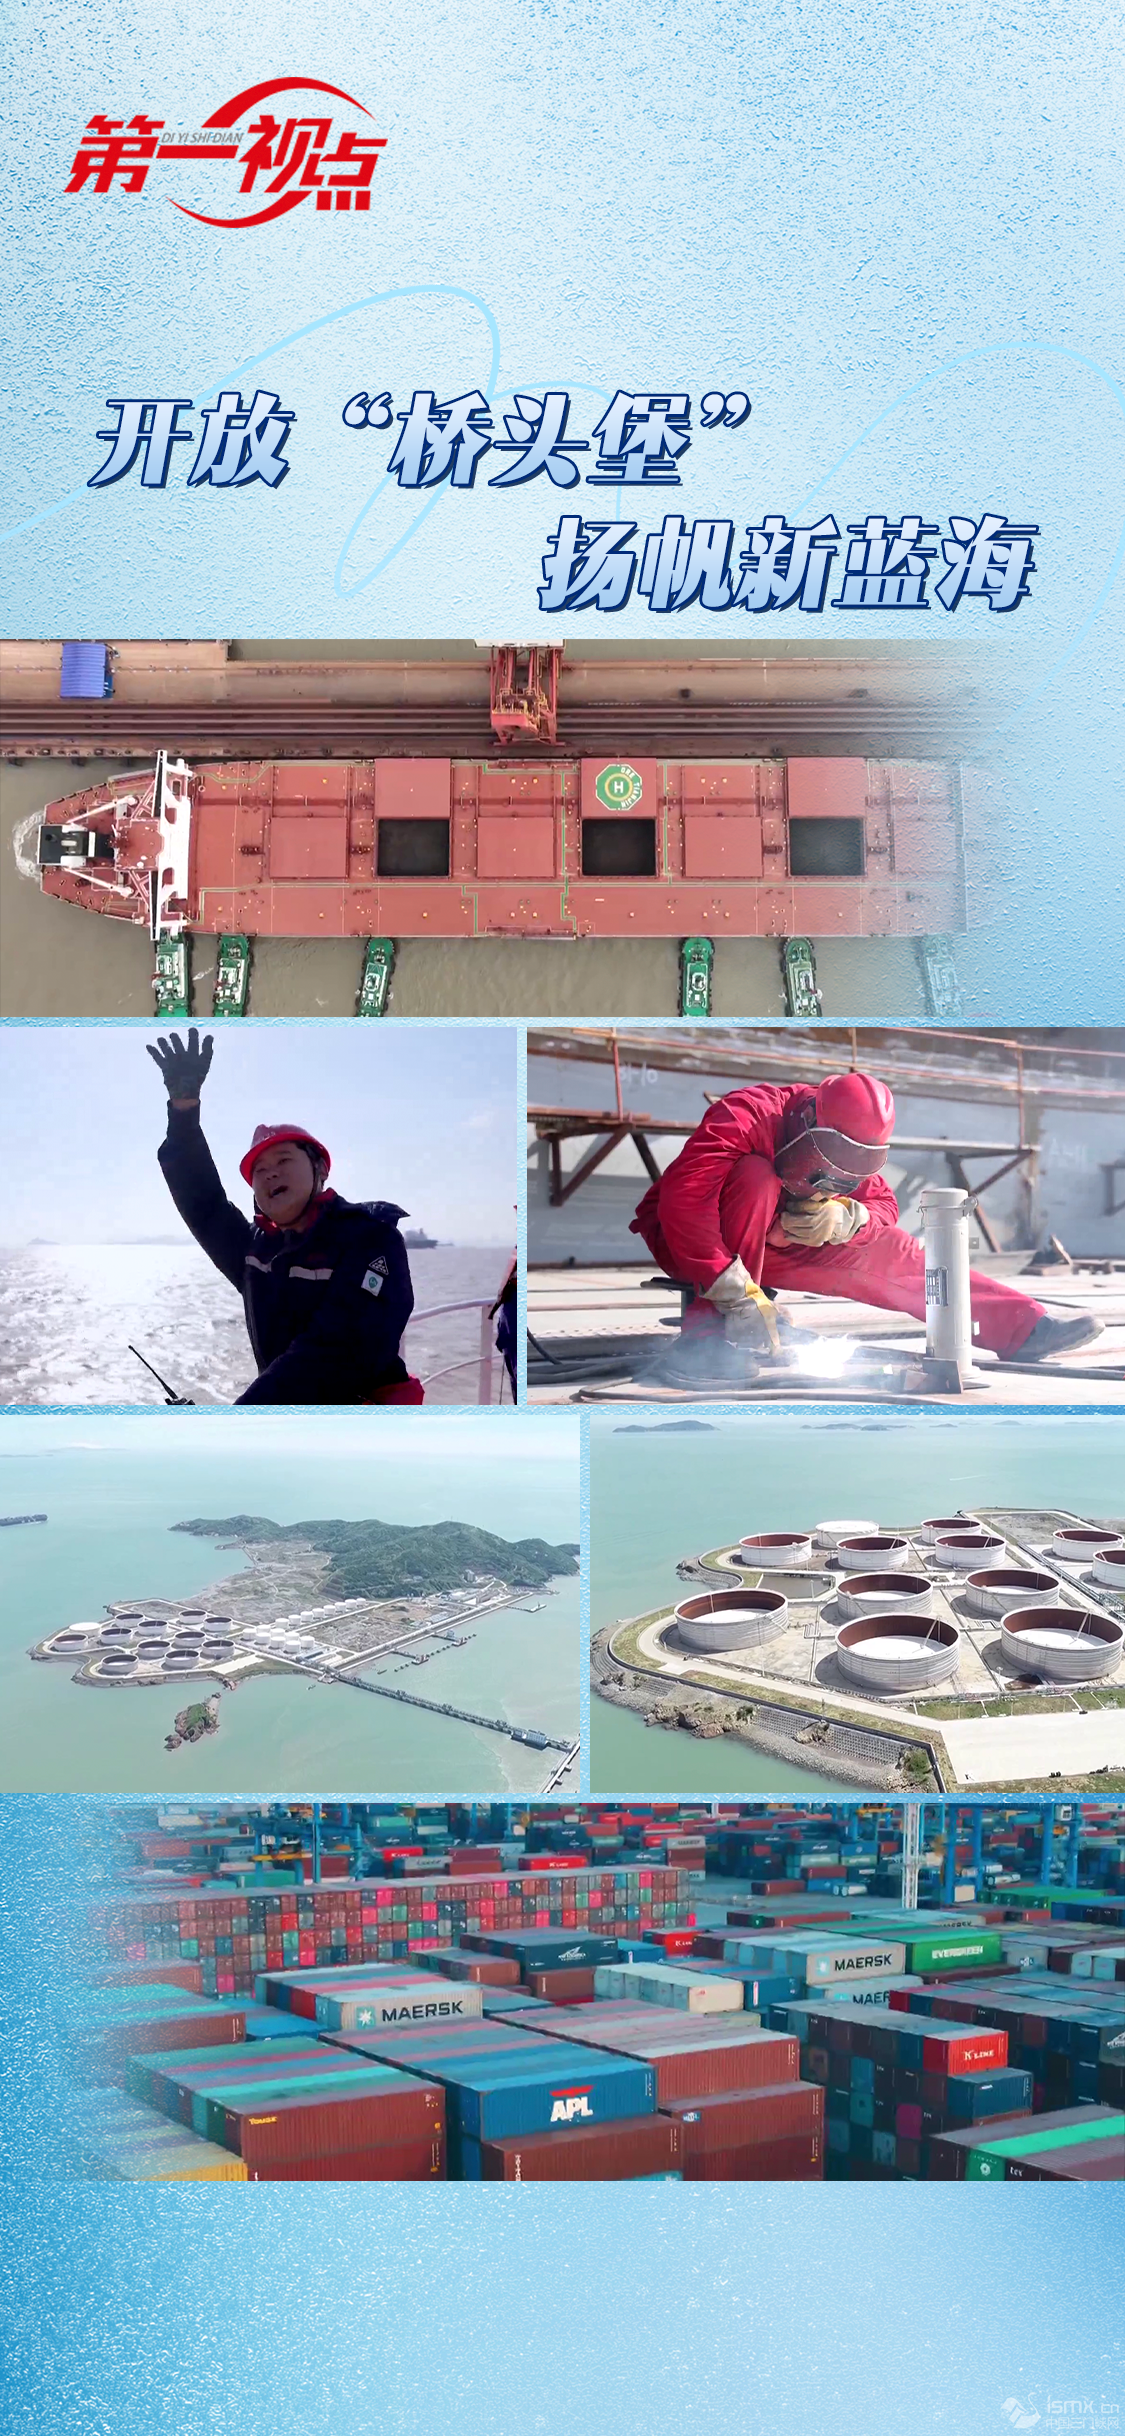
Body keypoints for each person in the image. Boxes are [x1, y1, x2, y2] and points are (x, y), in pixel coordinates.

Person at [630, 1070, 1103, 1384]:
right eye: (831, 1166)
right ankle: (710, 1336)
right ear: (810, 1121)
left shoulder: (852, 1145)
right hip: (694, 1241)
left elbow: (884, 1205)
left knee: (895, 1254)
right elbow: (685, 1199)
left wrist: (847, 1220)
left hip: (775, 1245)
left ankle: (1023, 1328)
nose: (837, 1179)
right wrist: (731, 1289)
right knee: (756, 1178)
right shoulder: (749, 1112)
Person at [147, 1029, 423, 1404]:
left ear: (319, 1170)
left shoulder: (370, 1238)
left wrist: (235, 1423)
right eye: (259, 1170)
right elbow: (204, 1203)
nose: (270, 1174)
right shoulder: (257, 1252)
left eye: (283, 1160)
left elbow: (337, 1350)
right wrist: (183, 1114)